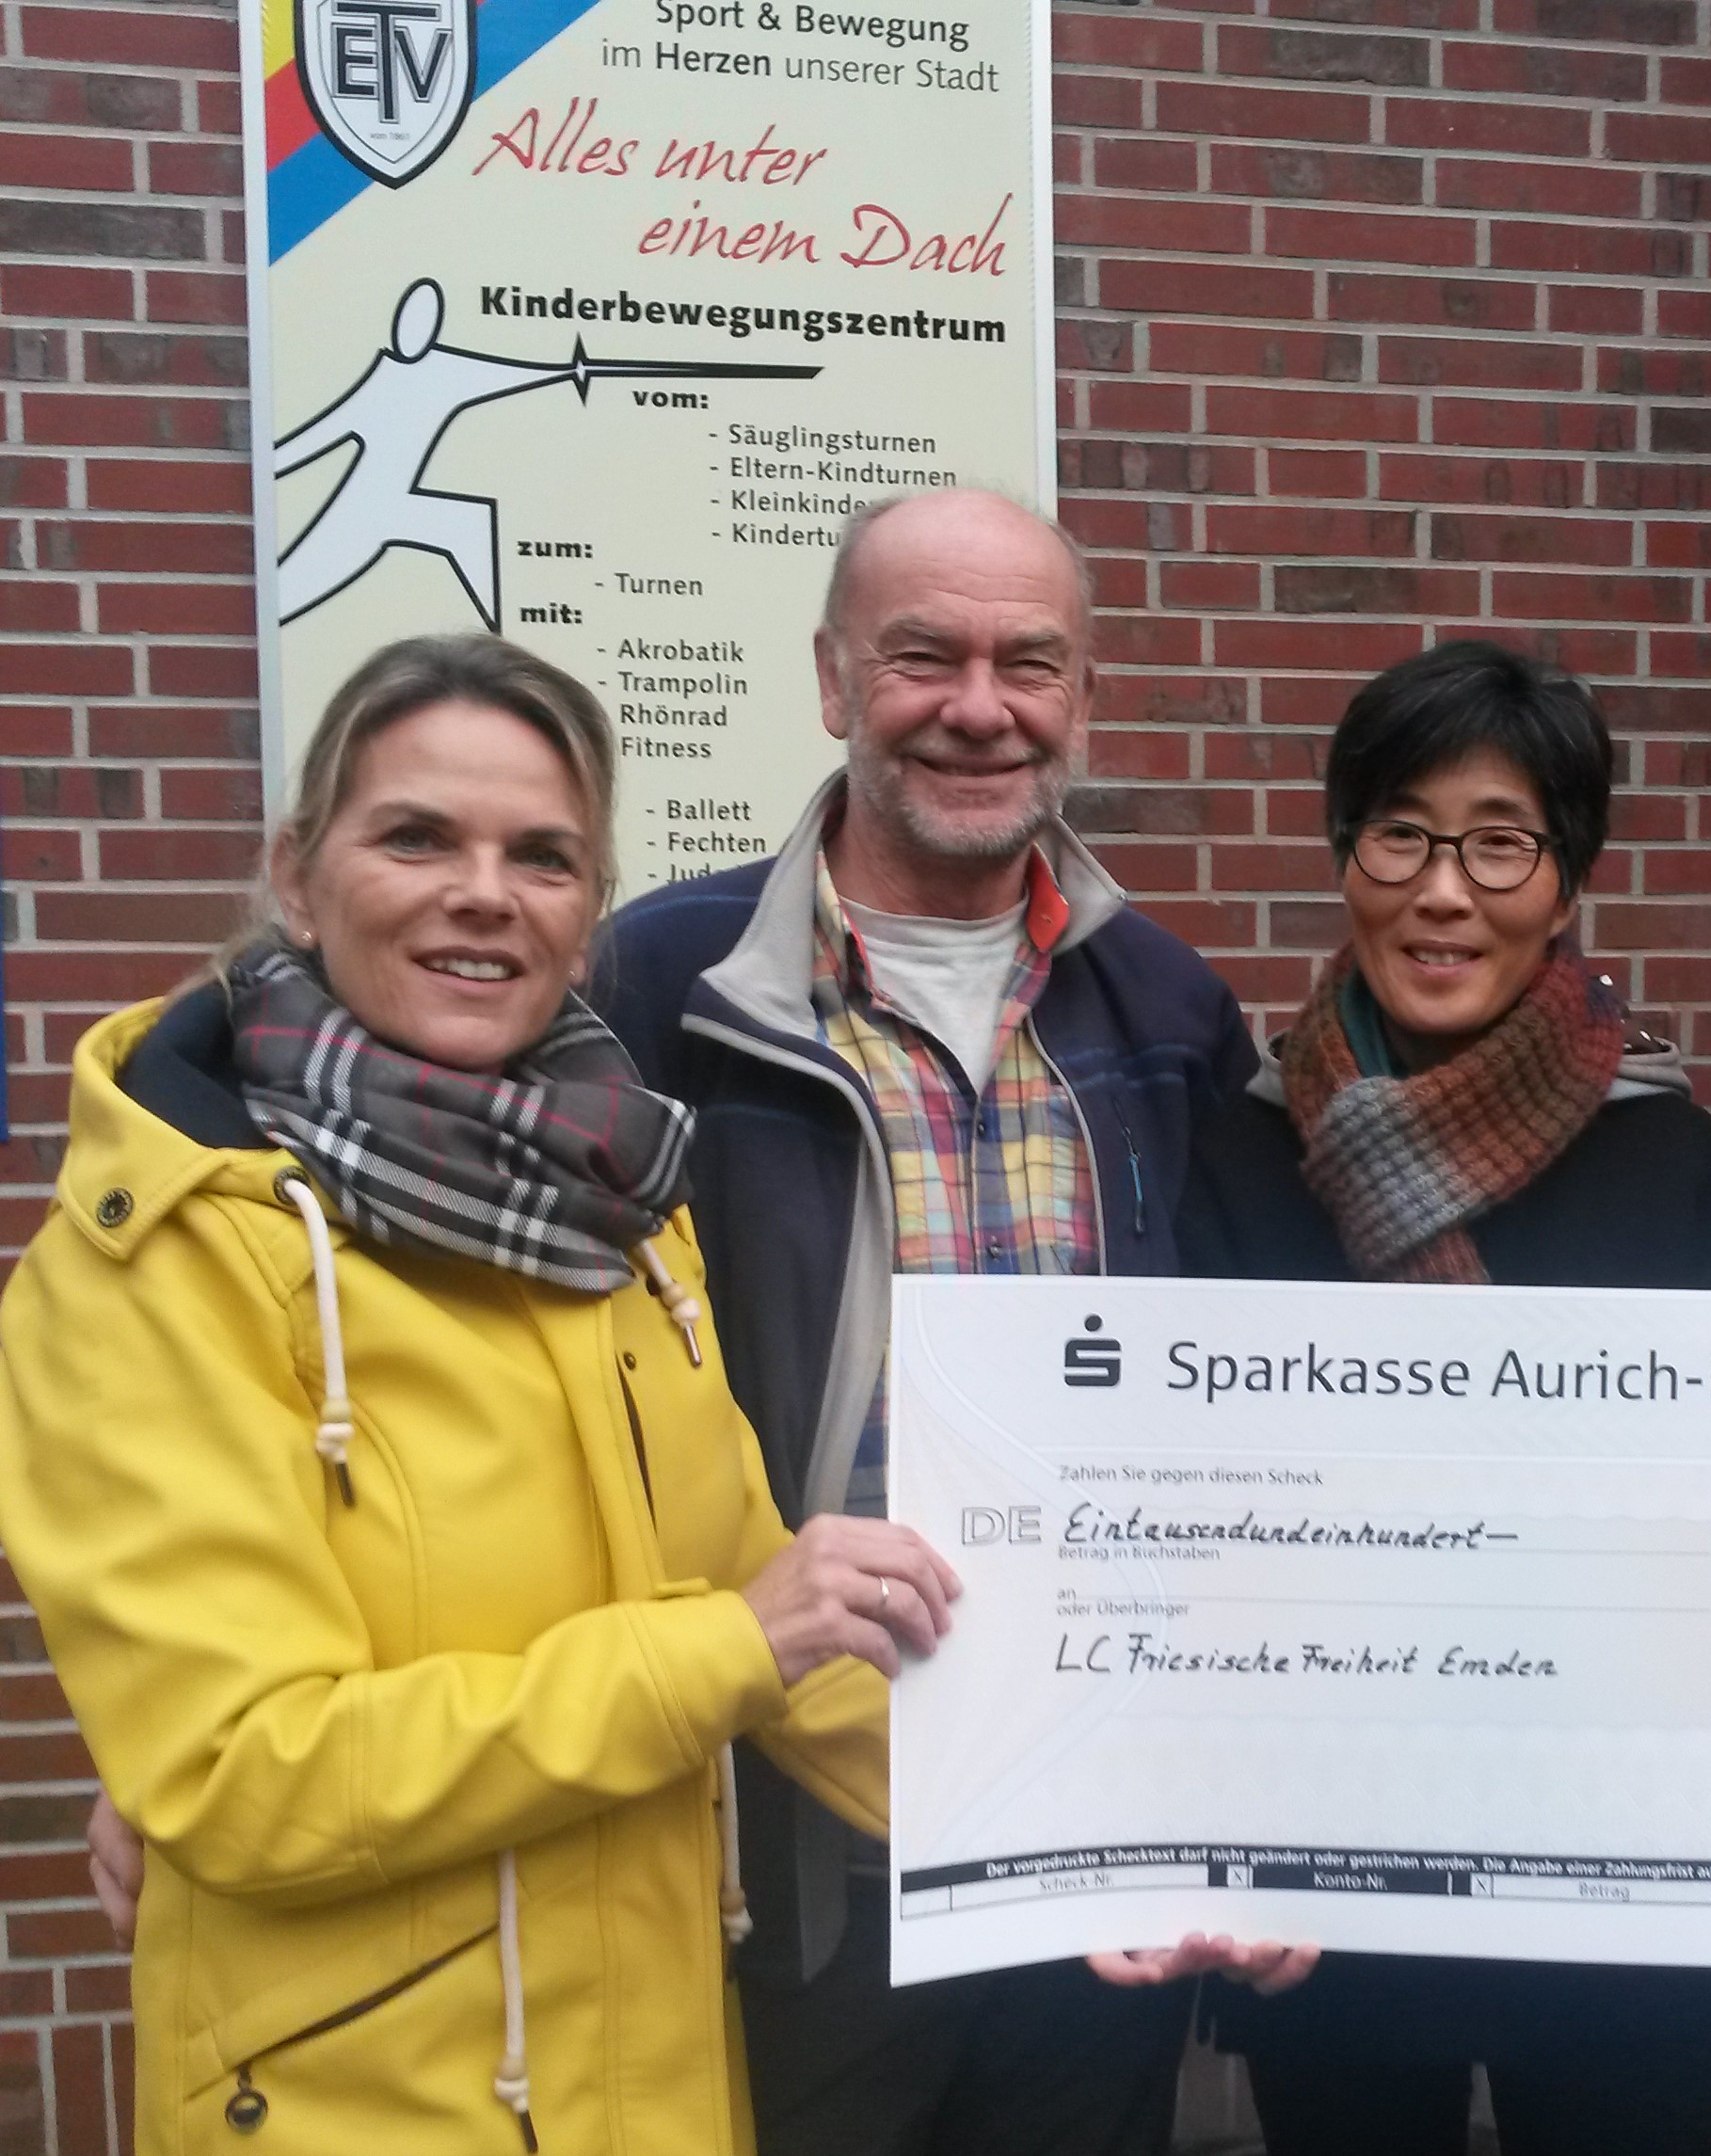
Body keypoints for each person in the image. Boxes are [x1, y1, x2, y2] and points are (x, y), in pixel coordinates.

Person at [0, 633, 956, 2154]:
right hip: (353, 2111)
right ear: (297, 877)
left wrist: (1099, 1855)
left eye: (543, 855)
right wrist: (720, 1651)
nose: (483, 892)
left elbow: (777, 1618)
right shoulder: (155, 1269)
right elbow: (251, 1774)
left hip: (648, 2091)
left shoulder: (620, 1216)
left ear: (587, 922)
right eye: (416, 837)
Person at [596, 487, 1294, 2156]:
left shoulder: (1170, 1012)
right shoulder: (654, 993)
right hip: (795, 1835)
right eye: (923, 655)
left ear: (1082, 700)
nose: (978, 706)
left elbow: (1268, 1399)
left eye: (1026, 663)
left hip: (1081, 1819)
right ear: (834, 681)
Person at [1175, 639, 1711, 2156]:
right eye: (1400, 832)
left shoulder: (1677, 1168)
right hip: (1329, 1857)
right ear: (1343, 853)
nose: (1442, 891)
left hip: (1612, 1864)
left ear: (1565, 882)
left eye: (1500, 841)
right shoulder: (1236, 1155)